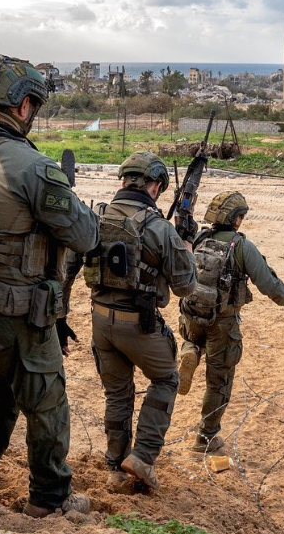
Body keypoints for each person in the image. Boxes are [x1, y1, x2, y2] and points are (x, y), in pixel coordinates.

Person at [0, 55, 99, 517]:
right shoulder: (29, 164)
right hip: (15, 311)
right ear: (23, 104)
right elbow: (84, 235)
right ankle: (50, 500)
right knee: (46, 405)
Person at [84, 151, 197, 492]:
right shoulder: (159, 227)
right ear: (155, 186)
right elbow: (185, 286)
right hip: (139, 324)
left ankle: (115, 468)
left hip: (100, 320)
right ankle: (143, 456)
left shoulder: (96, 216)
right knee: (165, 380)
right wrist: (187, 245)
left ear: (123, 180)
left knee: (117, 393)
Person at [178, 191, 284, 453]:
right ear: (236, 219)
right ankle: (206, 437)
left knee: (192, 339)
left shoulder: (200, 238)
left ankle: (189, 351)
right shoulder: (241, 246)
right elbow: (267, 282)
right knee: (218, 381)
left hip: (193, 313)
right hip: (222, 322)